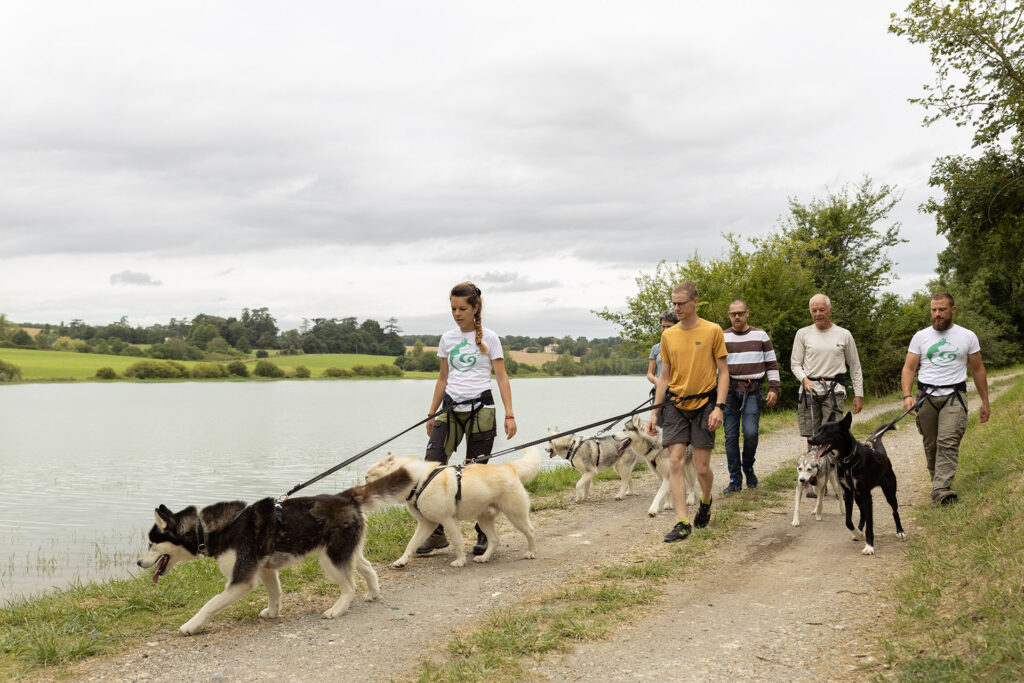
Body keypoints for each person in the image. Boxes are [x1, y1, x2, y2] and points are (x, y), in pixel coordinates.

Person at [417, 282, 517, 556]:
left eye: (462, 308)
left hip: (481, 410)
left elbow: (501, 377)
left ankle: (483, 534)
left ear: (475, 308)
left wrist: (509, 414)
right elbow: (442, 377)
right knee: (431, 470)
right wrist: (431, 412)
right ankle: (436, 533)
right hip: (448, 410)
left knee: (477, 474)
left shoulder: (491, 339)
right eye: (453, 308)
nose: (457, 313)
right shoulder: (447, 339)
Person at [647, 282, 729, 543]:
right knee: (675, 461)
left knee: (702, 468)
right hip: (675, 405)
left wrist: (719, 407)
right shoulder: (668, 336)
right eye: (674, 303)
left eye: (681, 303)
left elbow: (724, 372)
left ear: (695, 302)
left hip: (705, 404)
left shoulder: (712, 331)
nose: (676, 308)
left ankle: (706, 500)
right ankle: (682, 521)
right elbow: (664, 376)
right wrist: (654, 412)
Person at [900, 292, 989, 506]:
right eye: (934, 310)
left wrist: (985, 401)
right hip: (926, 397)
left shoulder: (967, 336)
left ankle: (941, 489)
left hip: (954, 396)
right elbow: (909, 367)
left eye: (942, 309)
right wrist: (907, 395)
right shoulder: (921, 336)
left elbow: (977, 369)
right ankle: (938, 486)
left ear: (953, 310)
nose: (937, 314)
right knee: (931, 445)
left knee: (948, 442)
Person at [790, 294, 864, 498]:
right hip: (809, 390)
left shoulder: (844, 335)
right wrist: (804, 379)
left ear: (830, 310)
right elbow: (795, 363)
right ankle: (814, 481)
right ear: (810, 312)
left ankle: (836, 478)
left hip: (834, 390)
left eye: (821, 309)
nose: (818, 313)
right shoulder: (803, 334)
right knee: (812, 437)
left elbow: (855, 366)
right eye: (814, 310)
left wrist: (859, 394)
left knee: (833, 438)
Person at [721, 299, 780, 494]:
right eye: (733, 314)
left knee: (750, 433)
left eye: (740, 313)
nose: (736, 317)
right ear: (729, 315)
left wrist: (774, 388)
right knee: (730, 437)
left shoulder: (760, 335)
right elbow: (715, 367)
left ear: (747, 313)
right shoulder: (722, 337)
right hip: (728, 392)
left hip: (753, 390)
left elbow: (771, 363)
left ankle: (748, 466)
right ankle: (734, 479)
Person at [647, 310, 679, 425]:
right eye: (663, 326)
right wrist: (657, 381)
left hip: (677, 394)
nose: (665, 330)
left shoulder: (682, 346)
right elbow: (650, 373)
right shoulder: (656, 348)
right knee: (658, 428)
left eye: (668, 326)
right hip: (659, 393)